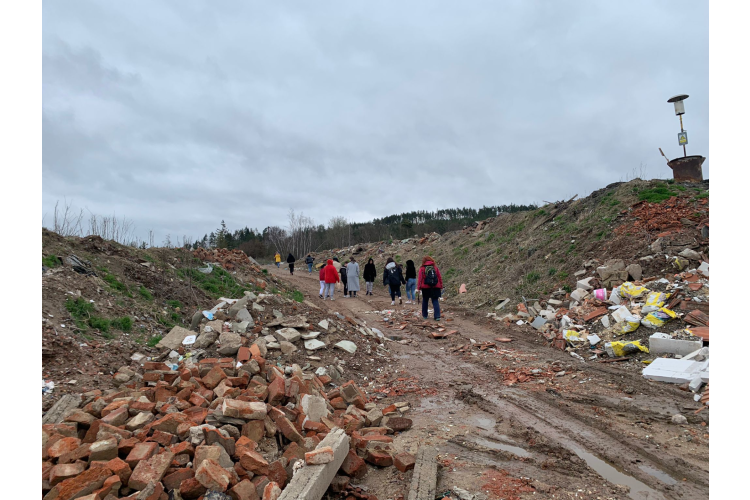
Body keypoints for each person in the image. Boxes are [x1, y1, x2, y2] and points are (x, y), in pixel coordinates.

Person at [418, 255, 444, 321]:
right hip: (435, 286)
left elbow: (420, 279)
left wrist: (419, 287)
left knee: (425, 301)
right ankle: (437, 316)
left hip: (425, 287)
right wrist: (441, 285)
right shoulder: (435, 267)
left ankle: (425, 315)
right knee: (435, 300)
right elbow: (439, 277)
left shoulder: (422, 268)